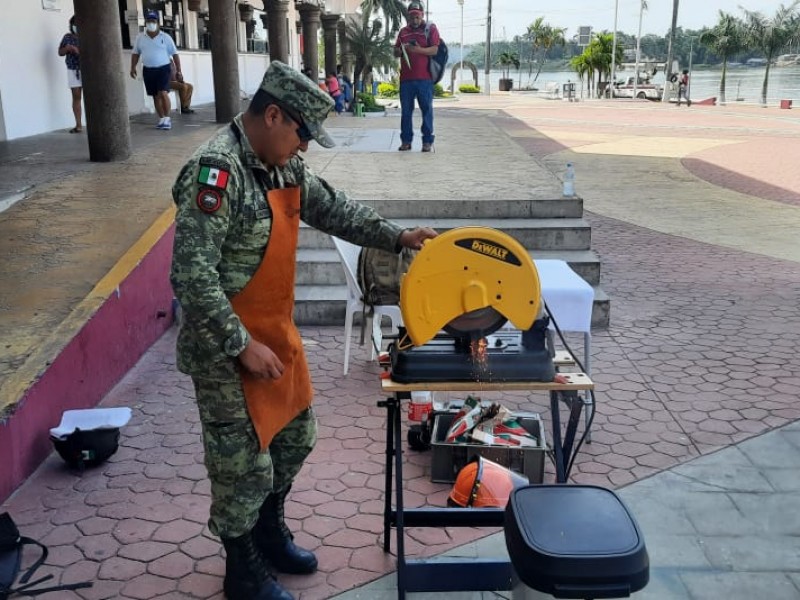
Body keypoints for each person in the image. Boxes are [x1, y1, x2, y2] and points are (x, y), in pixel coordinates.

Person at [170, 60, 437, 600]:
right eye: (301, 134)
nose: (305, 148)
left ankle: (269, 531)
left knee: (295, 436)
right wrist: (241, 346)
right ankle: (242, 568)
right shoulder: (215, 172)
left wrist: (398, 236)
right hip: (225, 347)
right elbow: (190, 275)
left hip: (273, 333)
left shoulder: (282, 165)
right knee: (240, 466)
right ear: (273, 115)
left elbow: (334, 208)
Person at [394, 0, 439, 152]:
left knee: (427, 110)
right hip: (406, 80)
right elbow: (395, 52)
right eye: (412, 17)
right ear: (408, 16)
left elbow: (434, 50)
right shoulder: (403, 32)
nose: (415, 20)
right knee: (406, 112)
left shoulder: (430, 29)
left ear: (422, 15)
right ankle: (406, 141)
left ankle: (427, 141)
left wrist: (417, 50)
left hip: (425, 79)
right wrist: (401, 50)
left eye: (417, 17)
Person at [130, 10, 183, 129]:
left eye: (153, 21)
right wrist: (132, 67)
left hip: (163, 69)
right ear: (145, 23)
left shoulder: (166, 37)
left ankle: (167, 118)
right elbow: (135, 53)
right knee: (155, 95)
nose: (151, 23)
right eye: (148, 21)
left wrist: (179, 70)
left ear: (158, 23)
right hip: (148, 70)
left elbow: (175, 54)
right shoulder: (140, 38)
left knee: (163, 93)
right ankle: (161, 118)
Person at [58, 15, 82, 133]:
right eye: (74, 24)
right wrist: (67, 49)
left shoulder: (88, 36)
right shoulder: (67, 37)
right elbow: (60, 52)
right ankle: (78, 124)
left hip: (87, 70)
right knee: (76, 97)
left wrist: (78, 51)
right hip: (73, 69)